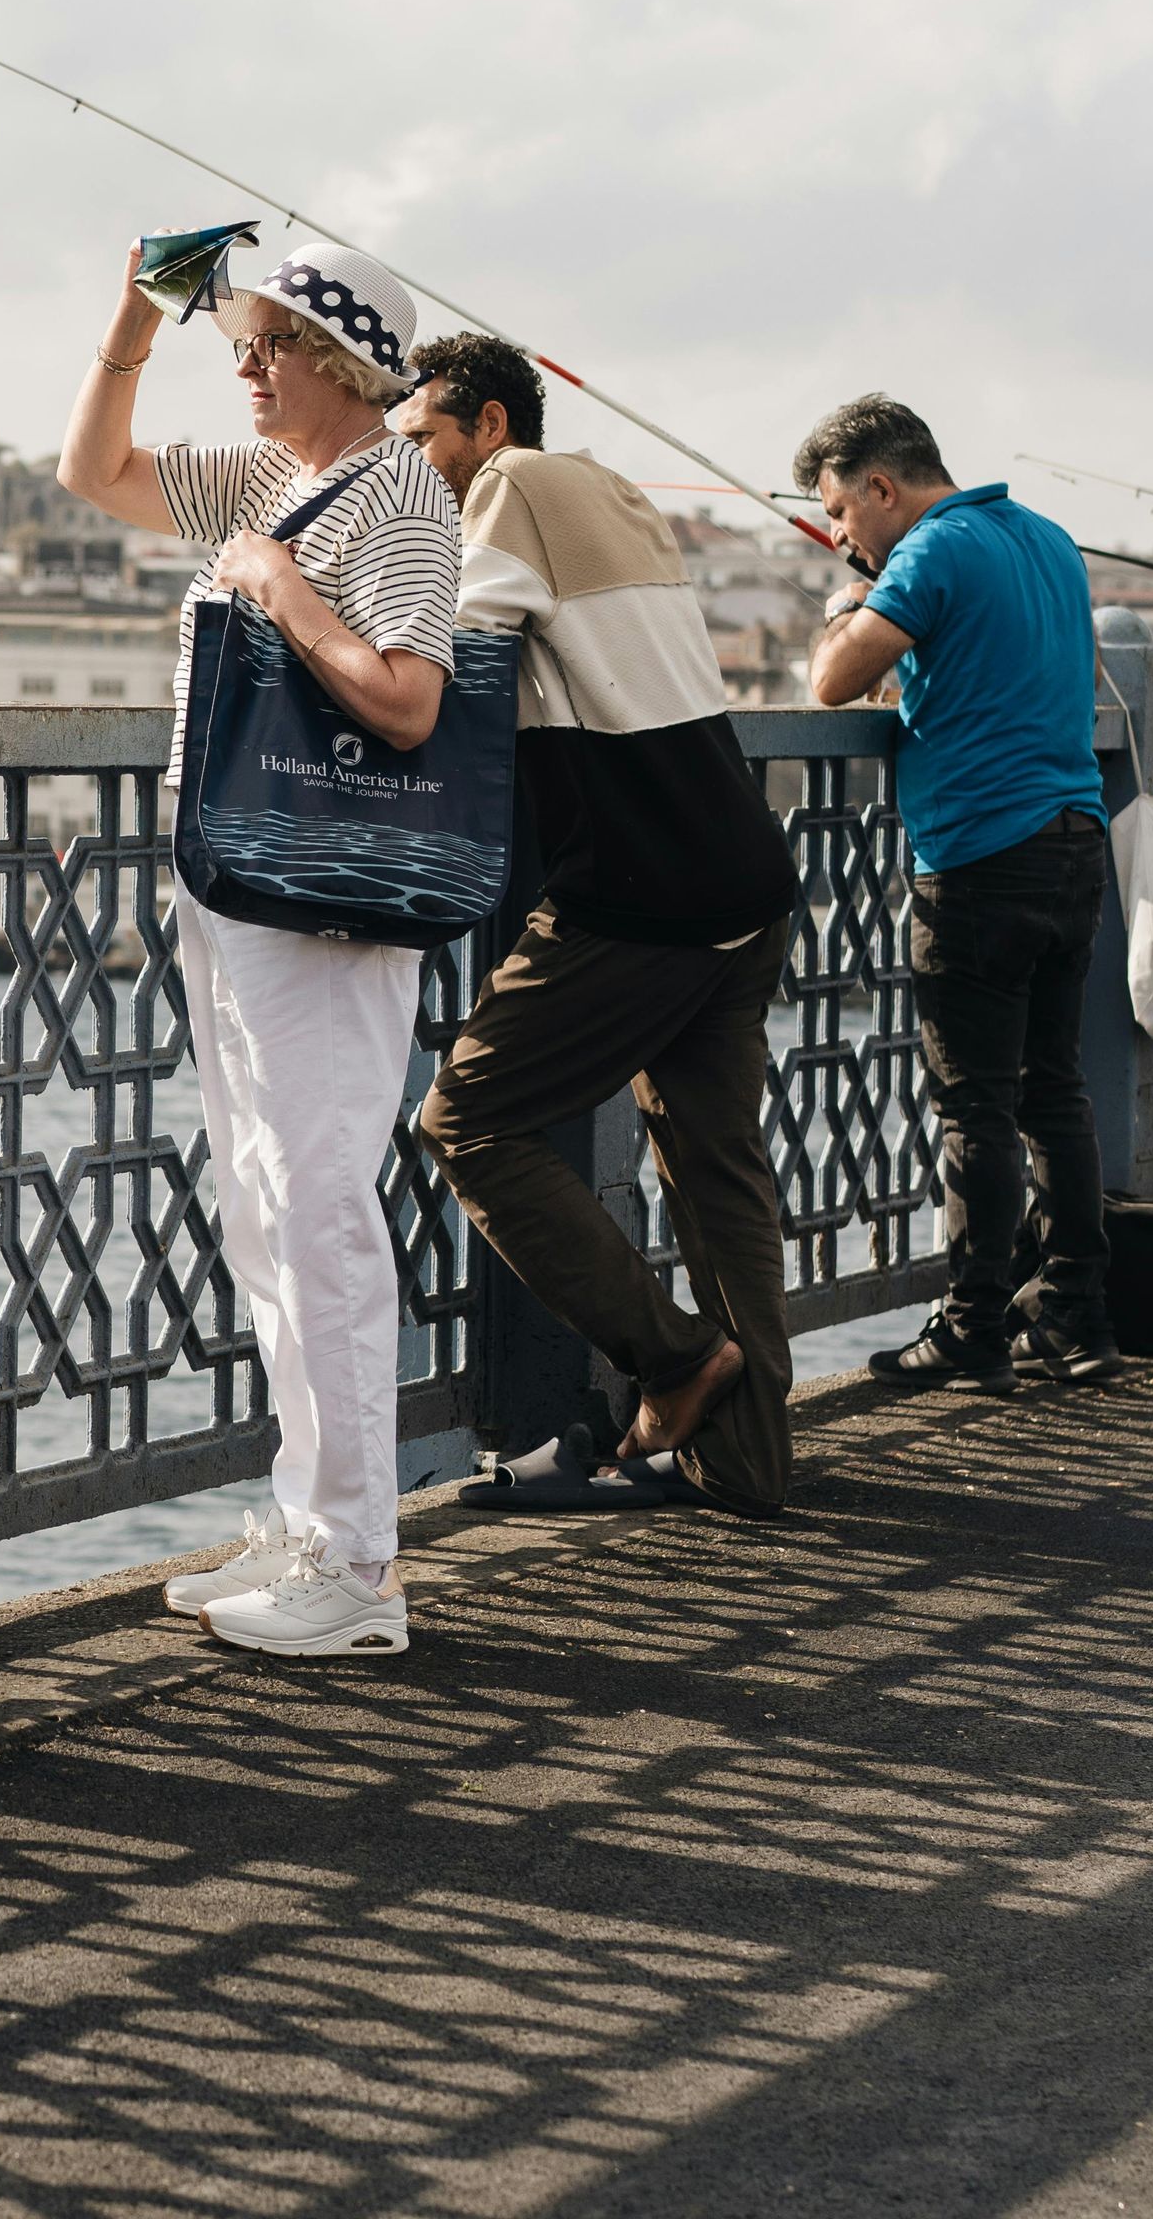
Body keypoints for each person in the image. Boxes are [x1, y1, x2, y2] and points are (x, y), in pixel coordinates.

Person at [58, 238, 460, 1654]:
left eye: (265, 345)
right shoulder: (270, 479)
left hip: (323, 894)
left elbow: (411, 701)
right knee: (264, 1203)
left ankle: (357, 1571)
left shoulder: (397, 498)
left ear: (339, 360)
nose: (242, 367)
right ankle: (310, 1521)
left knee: (320, 1202)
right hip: (238, 875)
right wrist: (128, 319)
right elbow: (93, 477)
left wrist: (283, 590)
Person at [398, 334, 801, 1516]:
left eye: (422, 437)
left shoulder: (509, 486)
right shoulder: (618, 498)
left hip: (640, 891)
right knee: (720, 1174)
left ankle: (675, 1363)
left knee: (467, 1118)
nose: (414, 462)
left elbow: (456, 667)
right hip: (738, 876)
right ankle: (746, 1464)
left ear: (486, 424)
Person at [796, 394, 1121, 1390]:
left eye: (842, 515)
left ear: (883, 486)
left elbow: (832, 685)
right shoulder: (1049, 541)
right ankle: (1073, 1313)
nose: (841, 536)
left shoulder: (930, 554)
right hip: (1074, 842)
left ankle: (971, 1325)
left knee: (972, 1104)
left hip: (981, 857)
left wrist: (848, 604)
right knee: (1053, 1092)